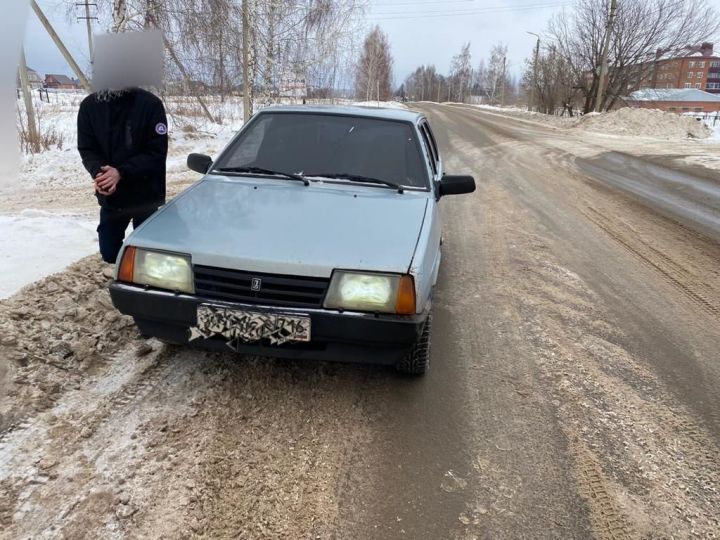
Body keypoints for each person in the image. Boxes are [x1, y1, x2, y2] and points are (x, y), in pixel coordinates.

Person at [77, 87, 168, 263]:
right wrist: (99, 173)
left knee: (146, 254)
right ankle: (126, 273)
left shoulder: (150, 104)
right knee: (109, 252)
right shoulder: (89, 106)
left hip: (145, 194)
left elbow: (156, 152)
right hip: (113, 197)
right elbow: (87, 148)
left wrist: (121, 172)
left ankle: (139, 285)